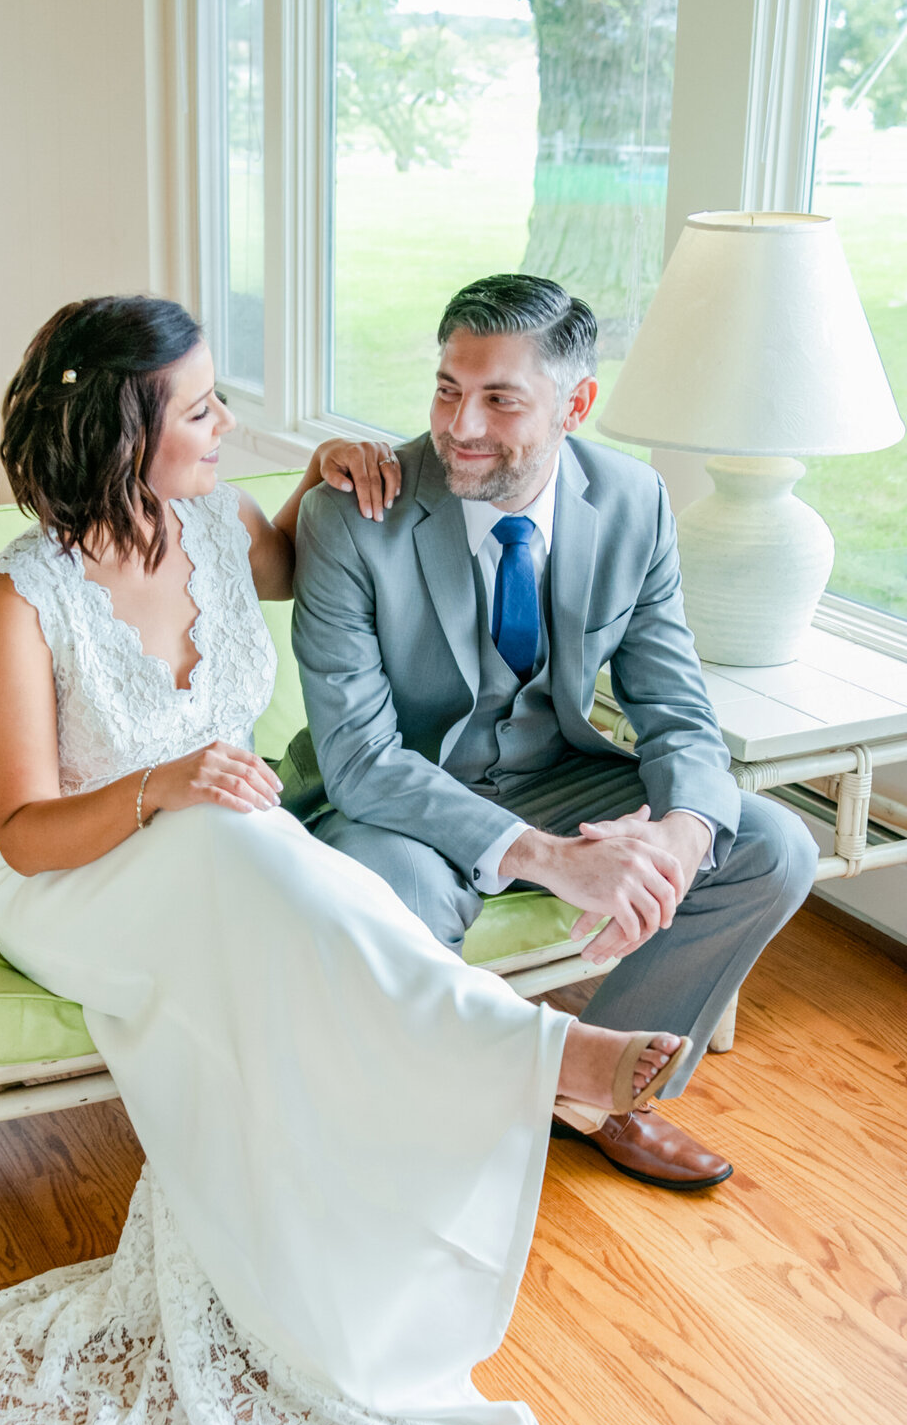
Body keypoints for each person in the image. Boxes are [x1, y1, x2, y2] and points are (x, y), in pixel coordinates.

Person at [0, 294, 693, 1425]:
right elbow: (21, 832)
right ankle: (540, 1057)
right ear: (125, 433)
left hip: (224, 846)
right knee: (246, 849)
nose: (224, 422)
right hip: (83, 881)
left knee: (284, 870)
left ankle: (459, 1118)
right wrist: (163, 784)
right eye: (199, 409)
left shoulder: (215, 520)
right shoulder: (14, 604)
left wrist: (322, 473)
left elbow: (317, 563)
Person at [292, 273, 819, 1193]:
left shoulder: (635, 501)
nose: (461, 427)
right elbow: (360, 759)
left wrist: (680, 833)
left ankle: (602, 1100)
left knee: (771, 842)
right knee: (393, 892)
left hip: (556, 770)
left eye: (500, 400)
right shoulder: (352, 512)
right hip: (400, 796)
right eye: (449, 390)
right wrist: (551, 858)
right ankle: (415, 1134)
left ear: (576, 404)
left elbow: (676, 705)